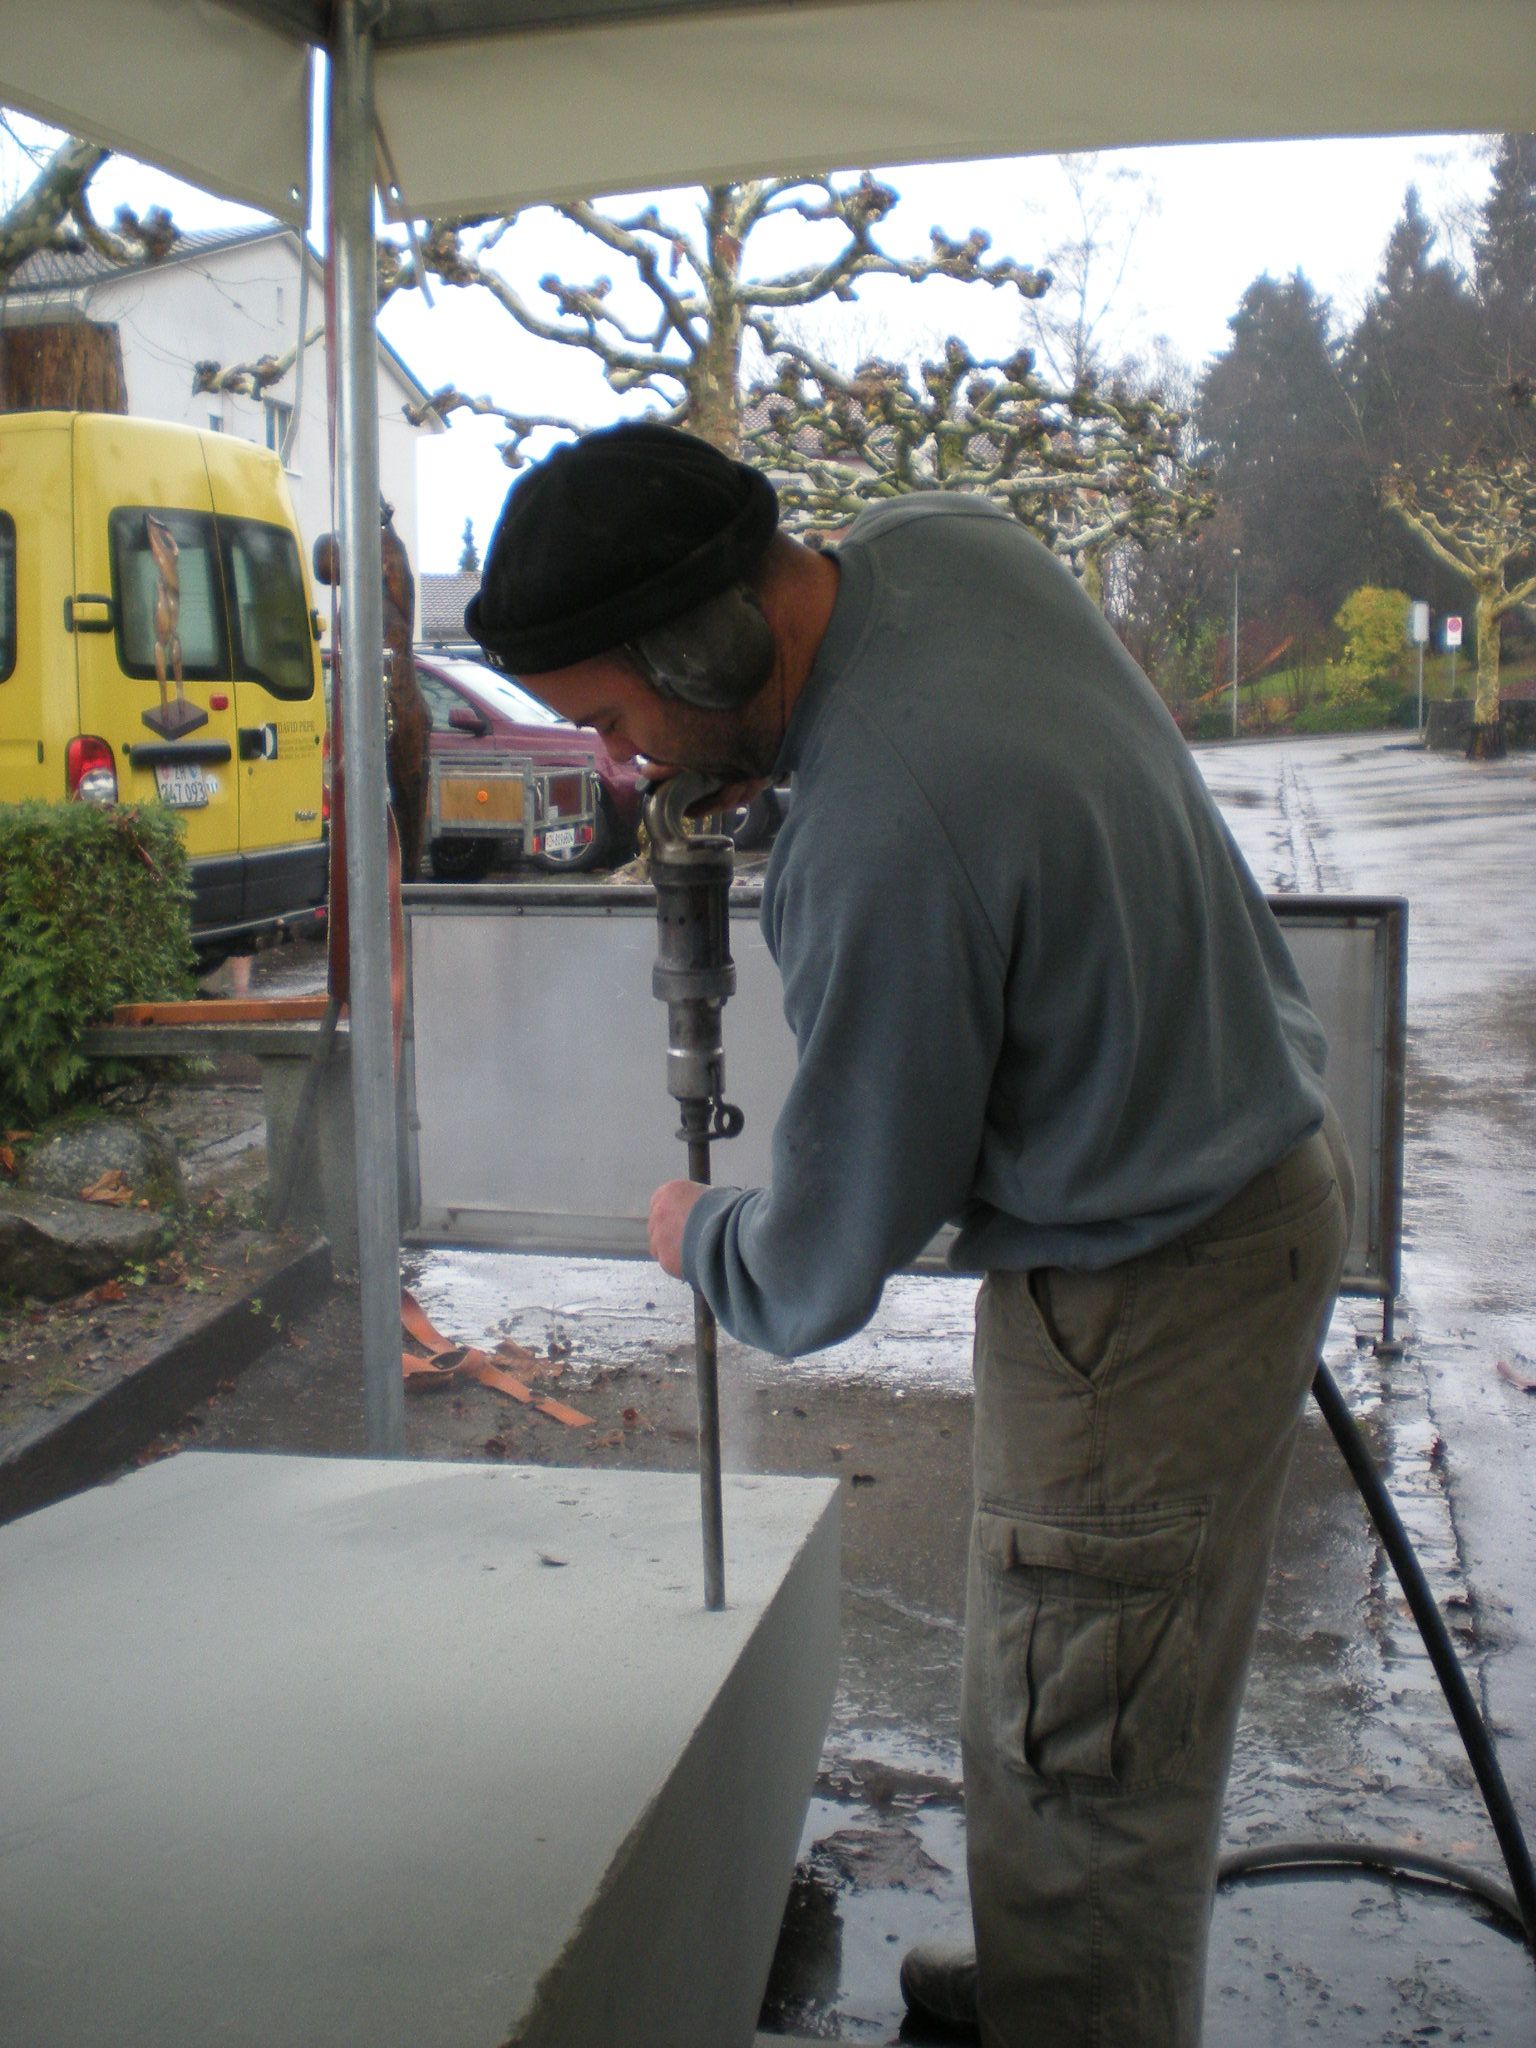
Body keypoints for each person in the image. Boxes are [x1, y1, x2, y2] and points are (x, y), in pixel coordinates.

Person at [466, 421, 1353, 2048]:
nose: (618, 766)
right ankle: (1052, 1971)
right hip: (1251, 1173)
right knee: (1115, 1686)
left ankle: (1075, 2000)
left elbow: (823, 1266)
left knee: (1079, 1740)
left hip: (1146, 1292)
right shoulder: (950, 545)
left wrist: (699, 1232)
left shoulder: (880, 839)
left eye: (613, 717)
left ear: (708, 641)